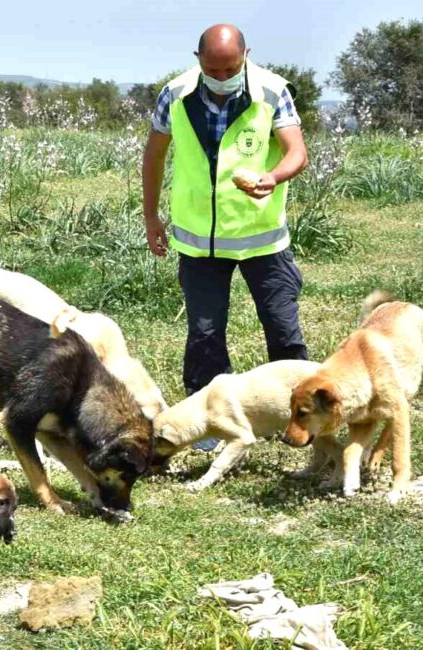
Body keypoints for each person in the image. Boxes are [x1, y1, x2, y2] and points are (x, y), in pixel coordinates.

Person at [142, 24, 309, 450]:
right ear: (197, 58)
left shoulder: (272, 91)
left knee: (284, 331)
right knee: (204, 335)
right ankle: (207, 427)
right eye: (212, 69)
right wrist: (151, 217)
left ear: (246, 56)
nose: (221, 77)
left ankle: (303, 417)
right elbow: (154, 156)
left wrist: (272, 177)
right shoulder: (174, 95)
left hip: (263, 241)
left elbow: (297, 152)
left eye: (230, 68)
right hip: (199, 243)